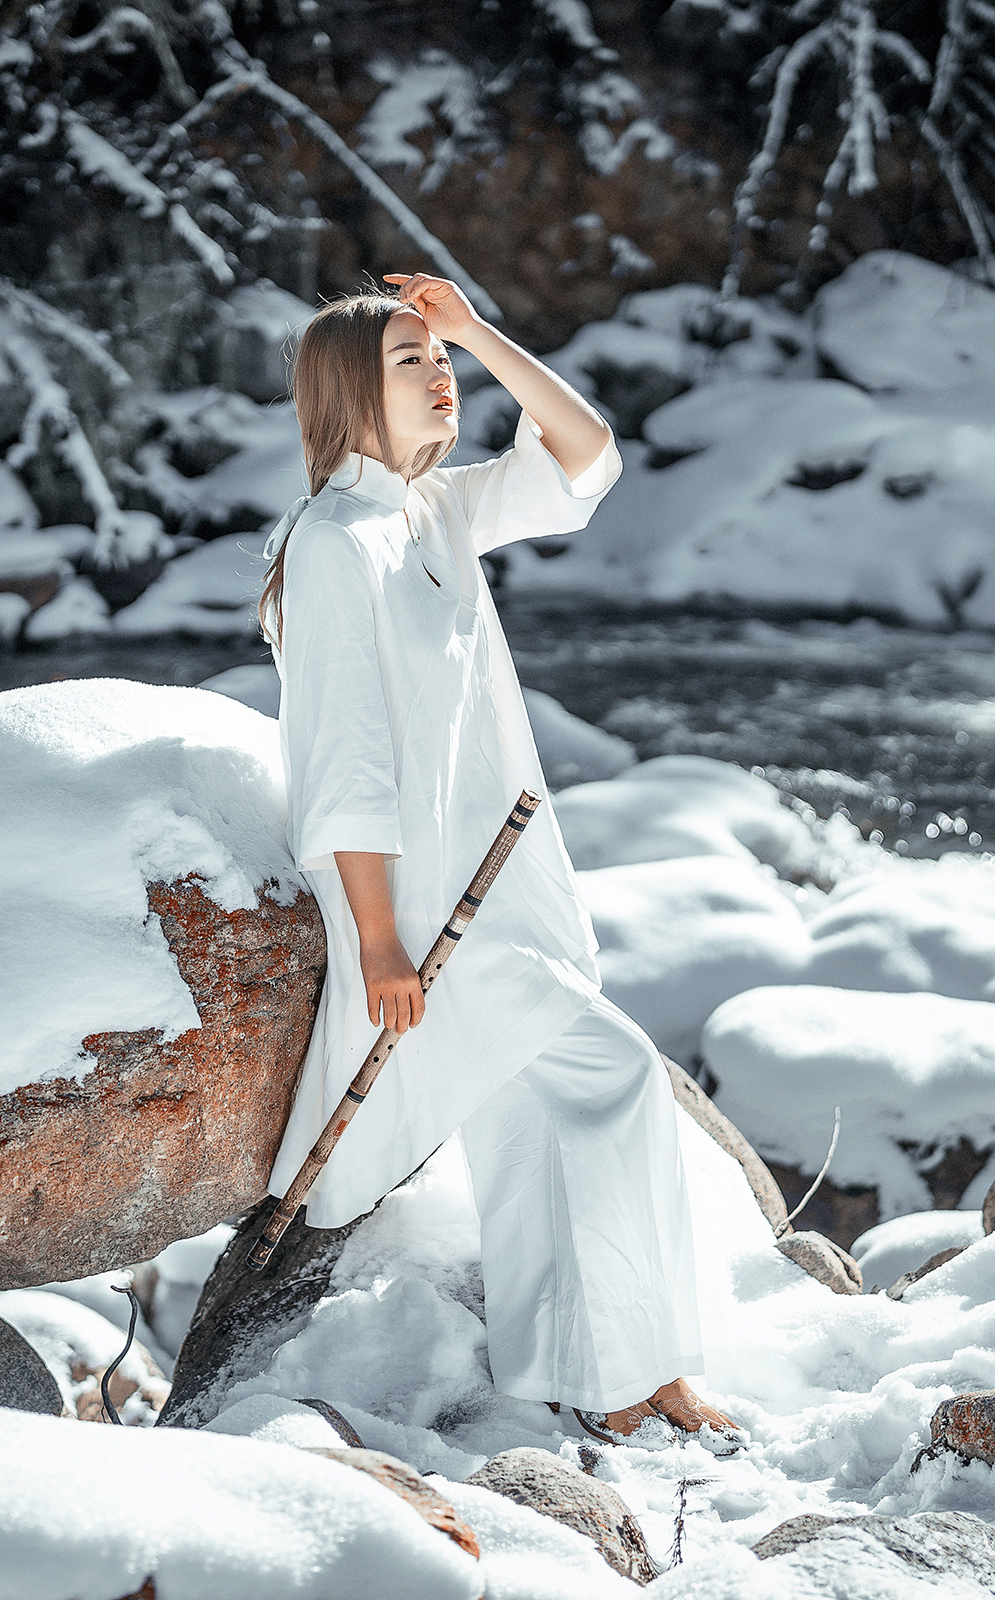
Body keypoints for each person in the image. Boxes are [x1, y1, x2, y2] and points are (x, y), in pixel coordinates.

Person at [259, 273, 740, 1447]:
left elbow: (584, 455)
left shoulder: (433, 513)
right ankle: (613, 1370)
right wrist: (379, 939)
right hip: (428, 905)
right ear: (345, 392)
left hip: (500, 879)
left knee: (547, 1115)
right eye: (412, 359)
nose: (442, 377)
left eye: (445, 360)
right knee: (614, 1083)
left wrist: (482, 327)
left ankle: (621, 1367)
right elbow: (346, 755)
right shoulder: (334, 545)